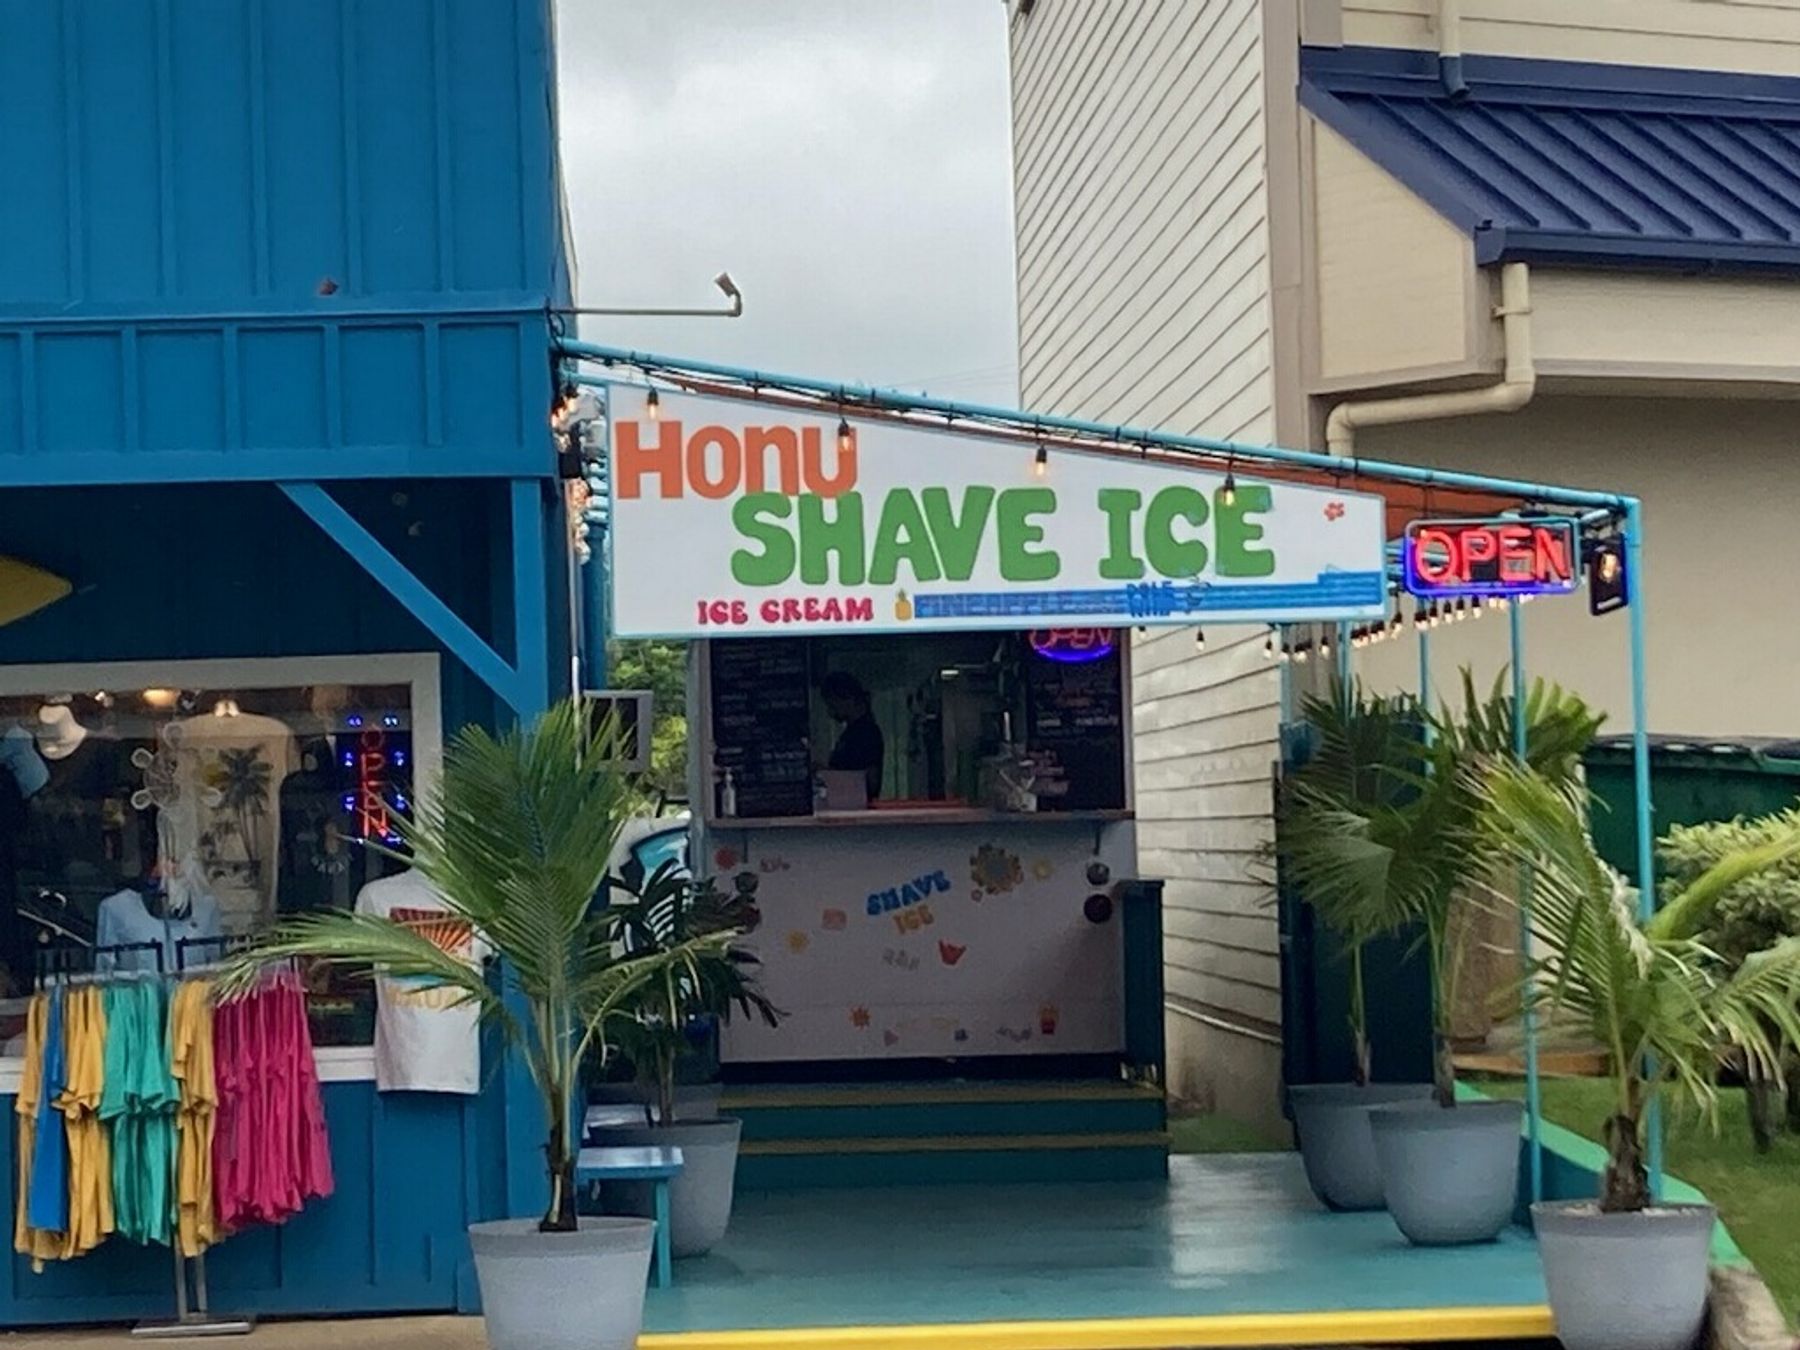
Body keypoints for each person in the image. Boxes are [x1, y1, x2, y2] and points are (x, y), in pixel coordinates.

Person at [820, 672, 883, 800]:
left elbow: (870, 783)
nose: (830, 711)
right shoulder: (850, 734)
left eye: (833, 704)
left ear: (848, 698)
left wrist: (828, 774)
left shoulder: (867, 734)